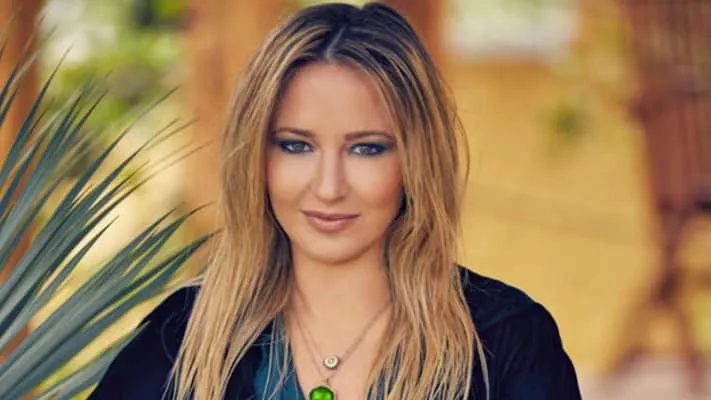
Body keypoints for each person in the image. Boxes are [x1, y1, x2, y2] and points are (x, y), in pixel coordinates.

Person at [90, 2, 582, 399]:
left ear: (417, 160)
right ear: (256, 156)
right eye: (295, 145)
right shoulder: (184, 337)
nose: (328, 187)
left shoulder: (506, 340)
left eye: (366, 148)